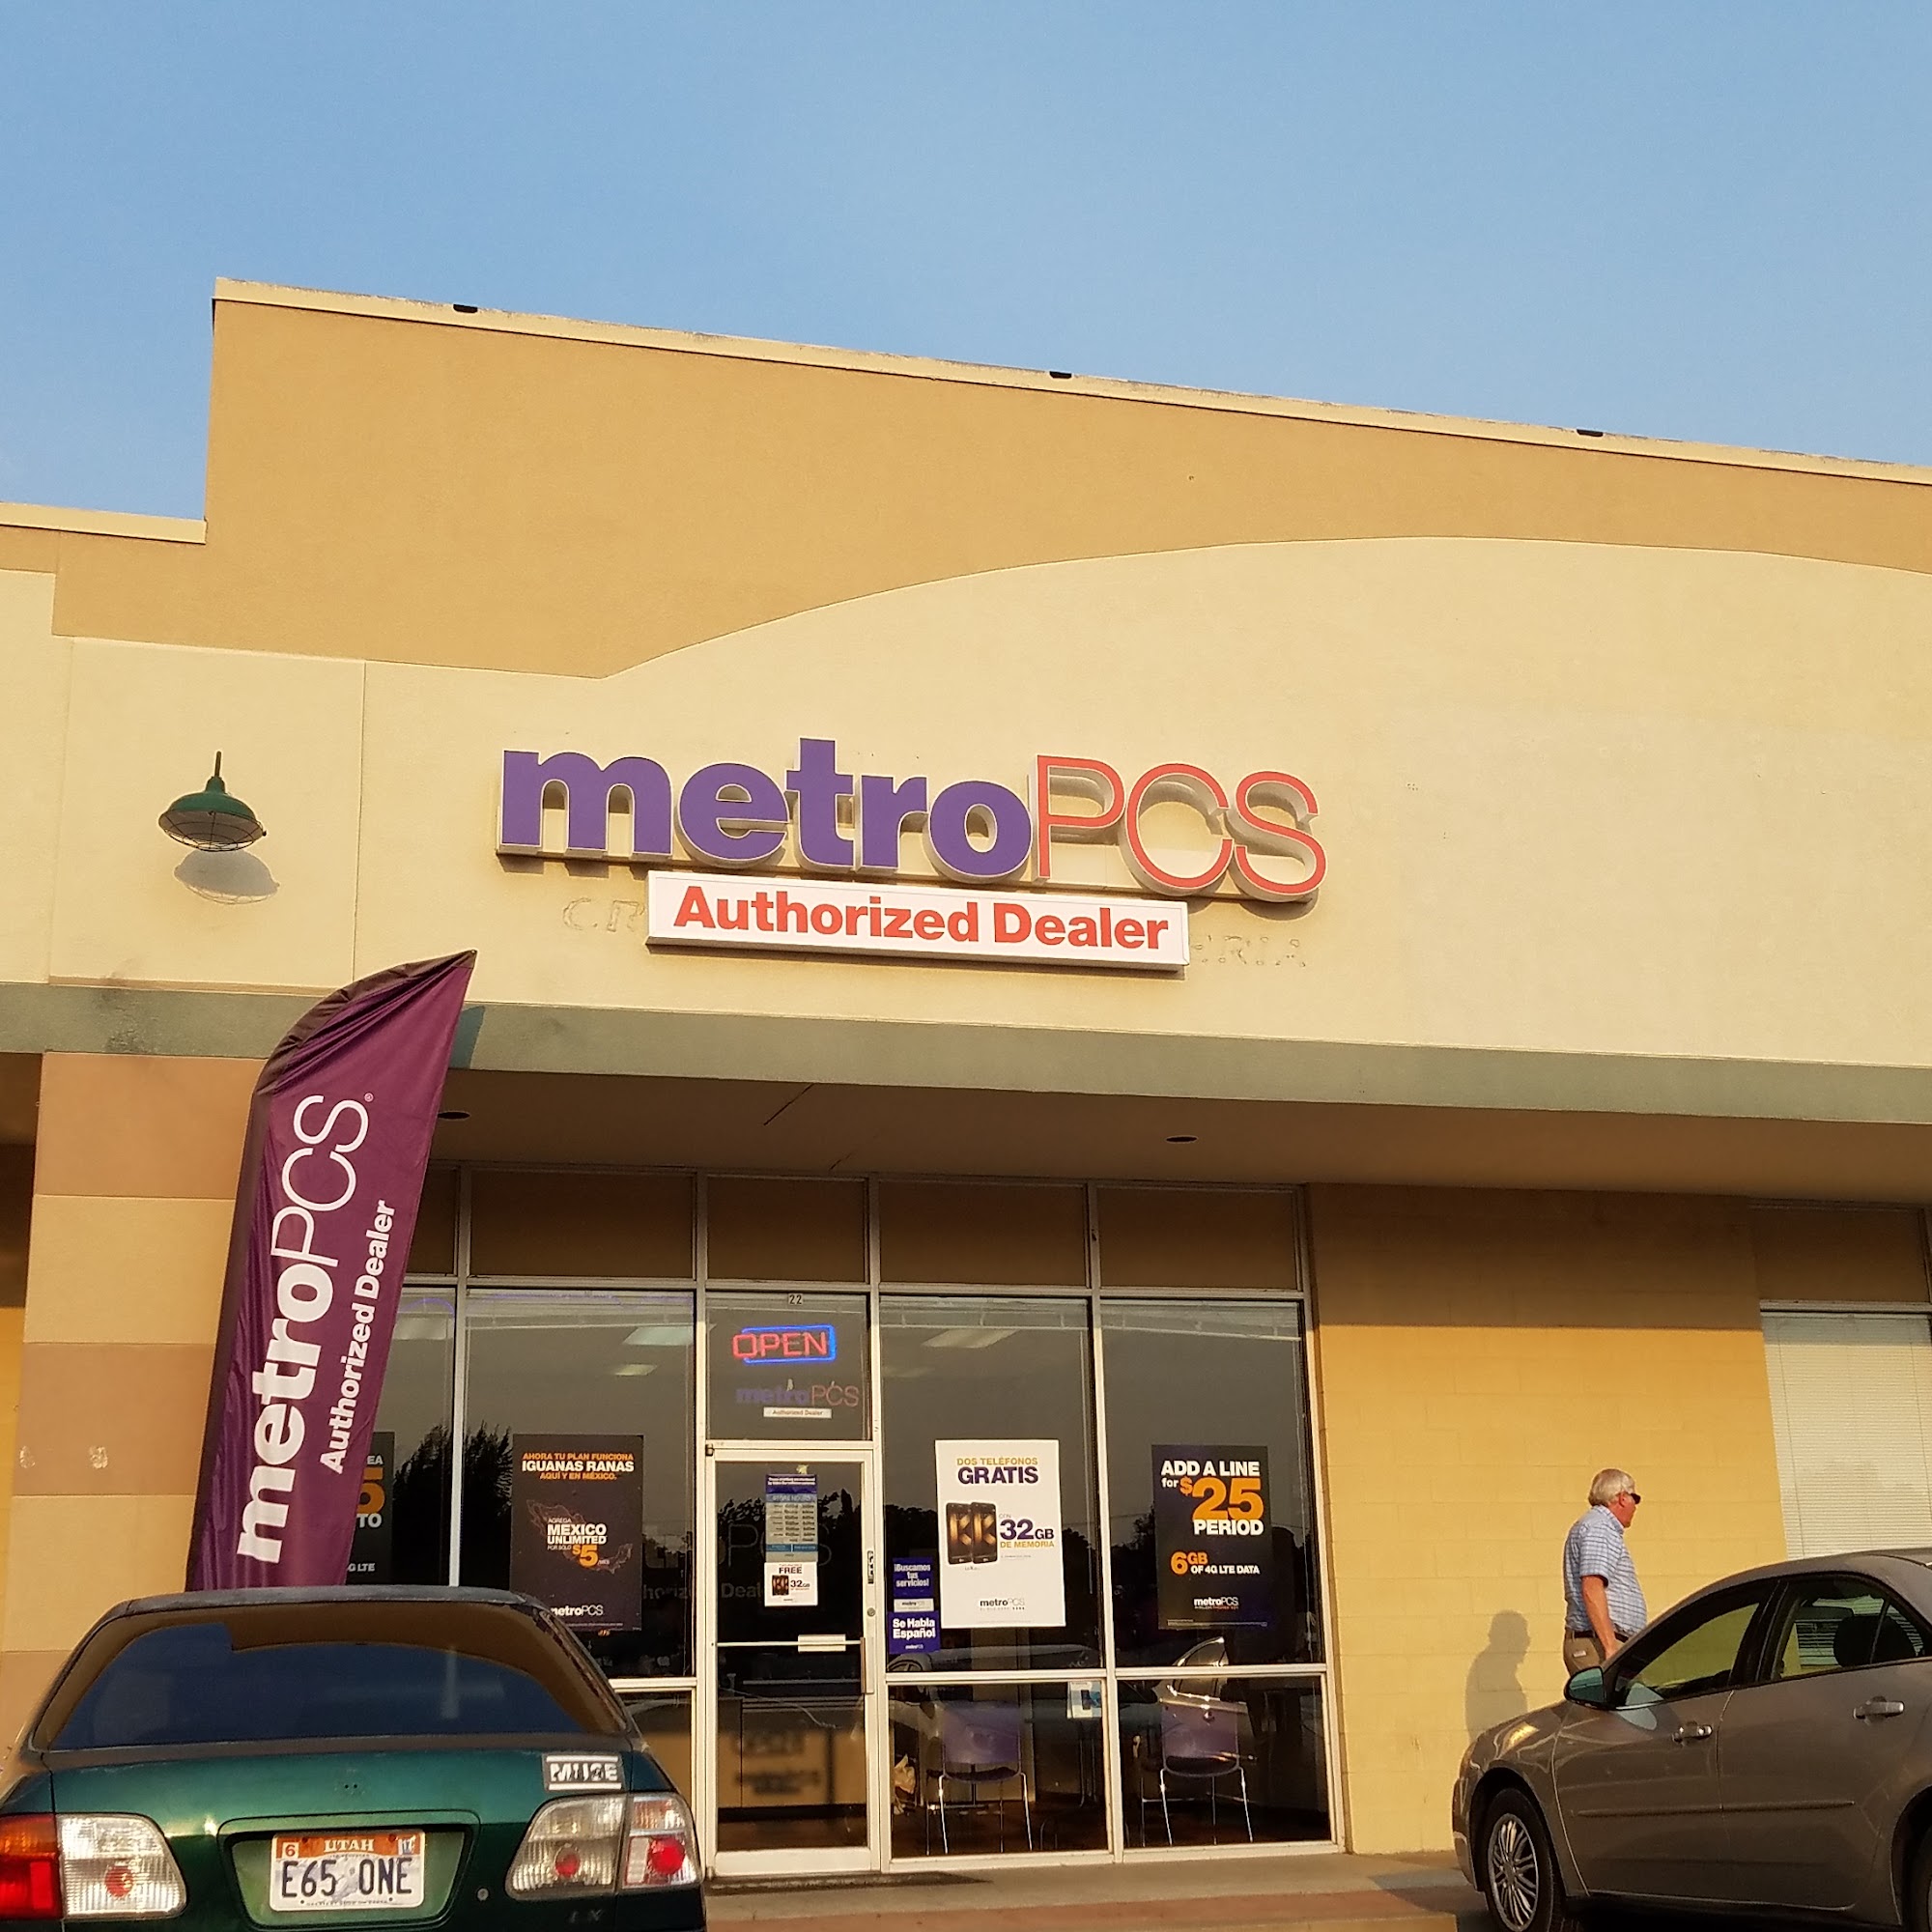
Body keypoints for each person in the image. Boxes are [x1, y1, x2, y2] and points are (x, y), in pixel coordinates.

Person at [1562, 1468, 1646, 1675]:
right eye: (1635, 1498)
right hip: (1598, 1644)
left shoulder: (1597, 1526)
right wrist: (1610, 1647)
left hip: (1601, 1642)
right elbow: (1592, 1587)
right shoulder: (1600, 1528)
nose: (1636, 1505)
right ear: (1622, 1497)